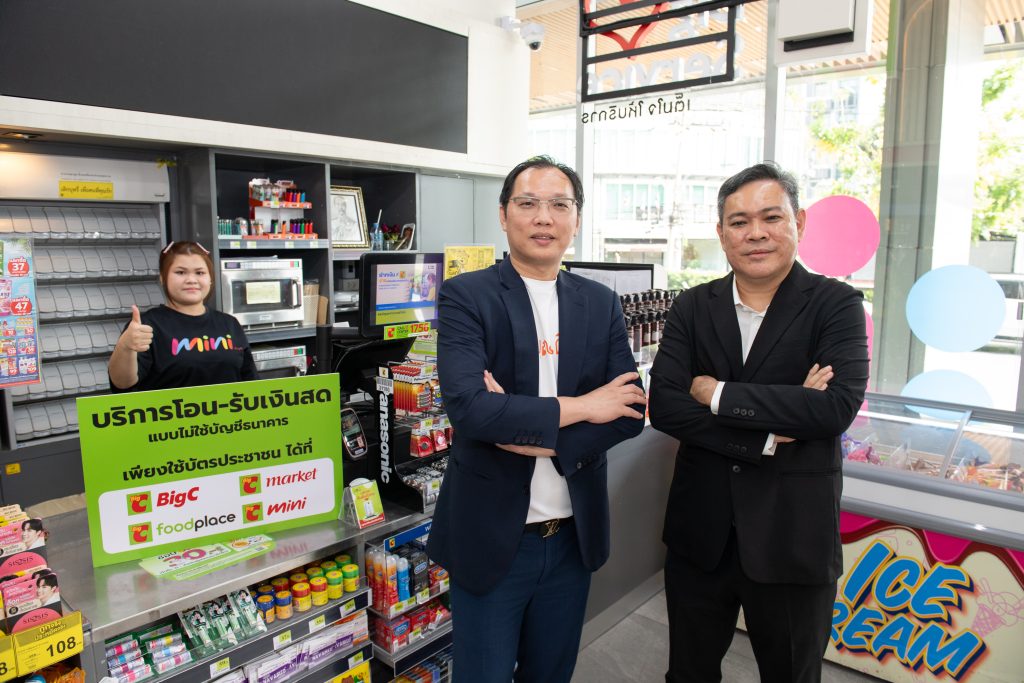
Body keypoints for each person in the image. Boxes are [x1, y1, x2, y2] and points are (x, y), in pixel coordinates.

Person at [426, 155, 647, 683]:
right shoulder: (467, 295)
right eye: (528, 203)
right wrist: (586, 406)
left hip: (572, 534)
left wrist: (535, 435)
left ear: (577, 219)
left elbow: (629, 411)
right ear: (504, 215)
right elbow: (472, 409)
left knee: (551, 674)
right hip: (493, 536)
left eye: (559, 205)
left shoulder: (599, 302)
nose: (544, 217)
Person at [649, 162, 869, 683]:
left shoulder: (836, 305)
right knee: (688, 674)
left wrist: (717, 393)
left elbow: (833, 409)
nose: (756, 233)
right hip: (700, 534)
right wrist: (770, 432)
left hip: (791, 536)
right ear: (721, 233)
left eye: (771, 217)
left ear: (799, 222)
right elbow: (666, 406)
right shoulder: (691, 306)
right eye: (739, 221)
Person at [108, 241, 257, 392]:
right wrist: (124, 347)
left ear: (210, 279)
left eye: (200, 273)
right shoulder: (146, 326)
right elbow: (123, 384)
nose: (191, 280)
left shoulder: (230, 324)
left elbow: (251, 383)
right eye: (180, 272)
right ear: (163, 278)